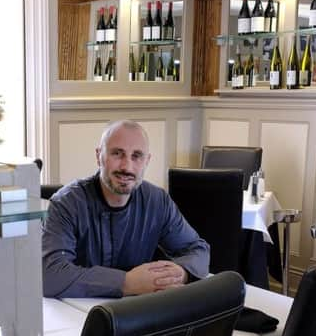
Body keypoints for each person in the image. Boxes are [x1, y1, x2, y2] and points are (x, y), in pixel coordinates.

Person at [42, 120, 210, 298]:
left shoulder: (157, 201)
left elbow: (198, 250)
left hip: (138, 313)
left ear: (147, 161)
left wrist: (180, 273)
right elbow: (51, 274)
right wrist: (126, 282)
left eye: (136, 156)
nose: (126, 167)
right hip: (74, 314)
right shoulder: (67, 203)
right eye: (117, 153)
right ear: (99, 156)